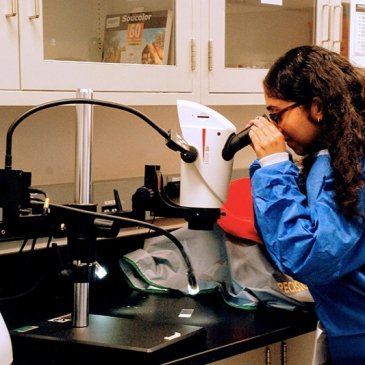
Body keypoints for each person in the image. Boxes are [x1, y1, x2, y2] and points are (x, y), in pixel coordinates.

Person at [247, 45, 365, 364]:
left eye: (277, 114)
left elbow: (310, 256)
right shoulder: (339, 156)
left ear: (317, 107)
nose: (276, 129)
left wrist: (273, 166)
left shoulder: (353, 168)